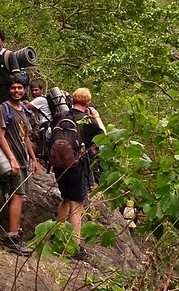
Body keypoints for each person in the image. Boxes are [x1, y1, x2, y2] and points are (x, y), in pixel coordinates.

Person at [53, 87, 104, 260]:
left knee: (65, 199)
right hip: (77, 166)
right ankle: (75, 247)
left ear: (73, 100)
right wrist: (95, 117)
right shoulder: (88, 121)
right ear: (88, 102)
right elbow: (103, 138)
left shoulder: (61, 116)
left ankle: (56, 236)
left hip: (59, 165)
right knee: (77, 205)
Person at [0, 79, 41, 254]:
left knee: (22, 197)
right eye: (13, 87)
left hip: (23, 160)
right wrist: (11, 159)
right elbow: (0, 135)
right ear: (8, 90)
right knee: (18, 196)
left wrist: (33, 159)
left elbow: (26, 137)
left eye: (20, 88)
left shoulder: (24, 110)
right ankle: (11, 237)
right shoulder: (2, 109)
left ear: (24, 90)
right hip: (12, 160)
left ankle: (16, 233)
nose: (16, 90)